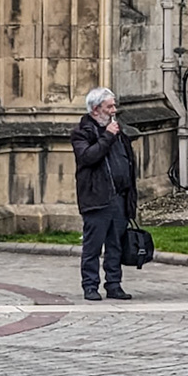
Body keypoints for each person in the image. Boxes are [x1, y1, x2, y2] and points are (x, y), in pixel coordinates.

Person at [70, 87, 137, 301]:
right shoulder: (83, 133)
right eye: (109, 106)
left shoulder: (118, 132)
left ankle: (114, 284)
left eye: (114, 106)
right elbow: (88, 157)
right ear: (96, 109)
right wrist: (107, 136)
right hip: (96, 198)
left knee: (115, 244)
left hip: (118, 197)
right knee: (93, 246)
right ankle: (90, 285)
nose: (114, 110)